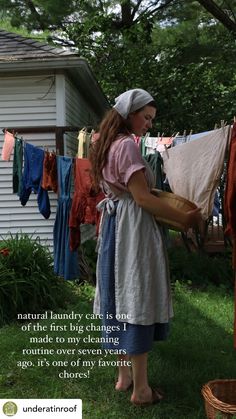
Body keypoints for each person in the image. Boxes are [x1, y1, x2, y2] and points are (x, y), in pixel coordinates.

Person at [89, 88, 202, 406]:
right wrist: (186, 218)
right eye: (147, 117)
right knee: (134, 295)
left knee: (118, 294)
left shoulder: (103, 142)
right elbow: (142, 198)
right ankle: (140, 390)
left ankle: (124, 376)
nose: (150, 124)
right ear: (129, 114)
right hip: (131, 228)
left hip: (114, 226)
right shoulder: (125, 145)